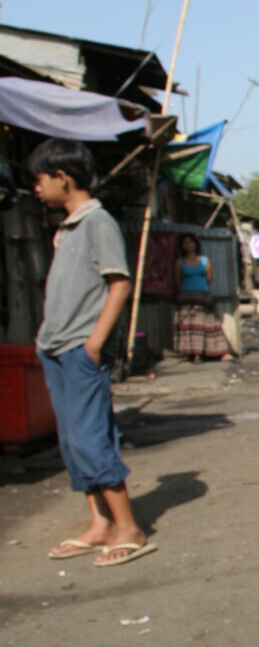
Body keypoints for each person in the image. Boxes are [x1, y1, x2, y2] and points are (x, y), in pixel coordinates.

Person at [29, 138, 157, 568]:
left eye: (41, 178)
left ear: (63, 178)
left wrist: (95, 343)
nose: (36, 187)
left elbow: (119, 282)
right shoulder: (67, 227)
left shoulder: (97, 221)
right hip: (56, 347)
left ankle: (128, 527)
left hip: (81, 349)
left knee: (90, 438)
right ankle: (99, 523)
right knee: (71, 440)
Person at [172, 232, 232, 362]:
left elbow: (209, 278)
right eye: (185, 243)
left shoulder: (205, 261)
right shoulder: (179, 262)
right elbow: (178, 281)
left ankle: (207, 352)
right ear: (181, 246)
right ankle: (194, 354)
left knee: (205, 325)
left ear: (196, 244)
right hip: (186, 297)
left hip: (203, 296)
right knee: (190, 327)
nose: (188, 245)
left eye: (190, 242)